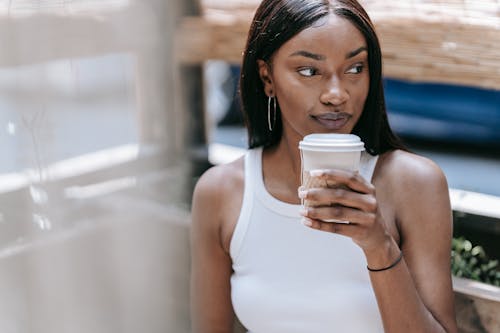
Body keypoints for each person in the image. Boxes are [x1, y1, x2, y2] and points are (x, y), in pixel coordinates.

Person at [190, 0, 458, 332]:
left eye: (355, 68)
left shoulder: (413, 184)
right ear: (267, 78)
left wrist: (379, 246)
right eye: (309, 71)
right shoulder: (221, 192)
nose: (337, 94)